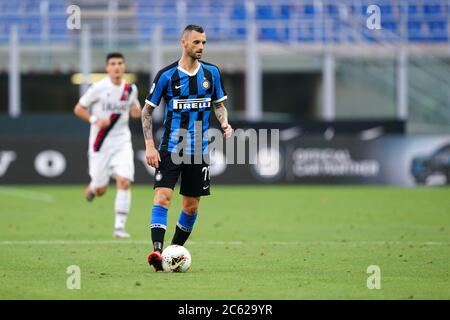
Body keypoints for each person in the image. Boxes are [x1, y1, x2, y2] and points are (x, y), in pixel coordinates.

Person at [141, 25, 233, 271]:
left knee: (191, 206)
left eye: (203, 42)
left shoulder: (211, 73)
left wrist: (224, 122)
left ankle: (172, 252)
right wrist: (150, 145)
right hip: (170, 148)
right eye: (196, 42)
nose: (201, 47)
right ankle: (157, 252)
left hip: (199, 151)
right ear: (184, 42)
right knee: (163, 196)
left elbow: (219, 105)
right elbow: (147, 111)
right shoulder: (166, 75)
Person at [73, 52, 141, 238]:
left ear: (124, 66)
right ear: (107, 67)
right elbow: (78, 109)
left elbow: (136, 110)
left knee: (124, 182)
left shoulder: (130, 89)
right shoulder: (98, 88)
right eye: (113, 63)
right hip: (100, 143)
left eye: (120, 63)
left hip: (122, 143)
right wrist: (95, 119)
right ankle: (93, 188)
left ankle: (119, 227)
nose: (117, 66)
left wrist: (137, 111)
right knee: (101, 189)